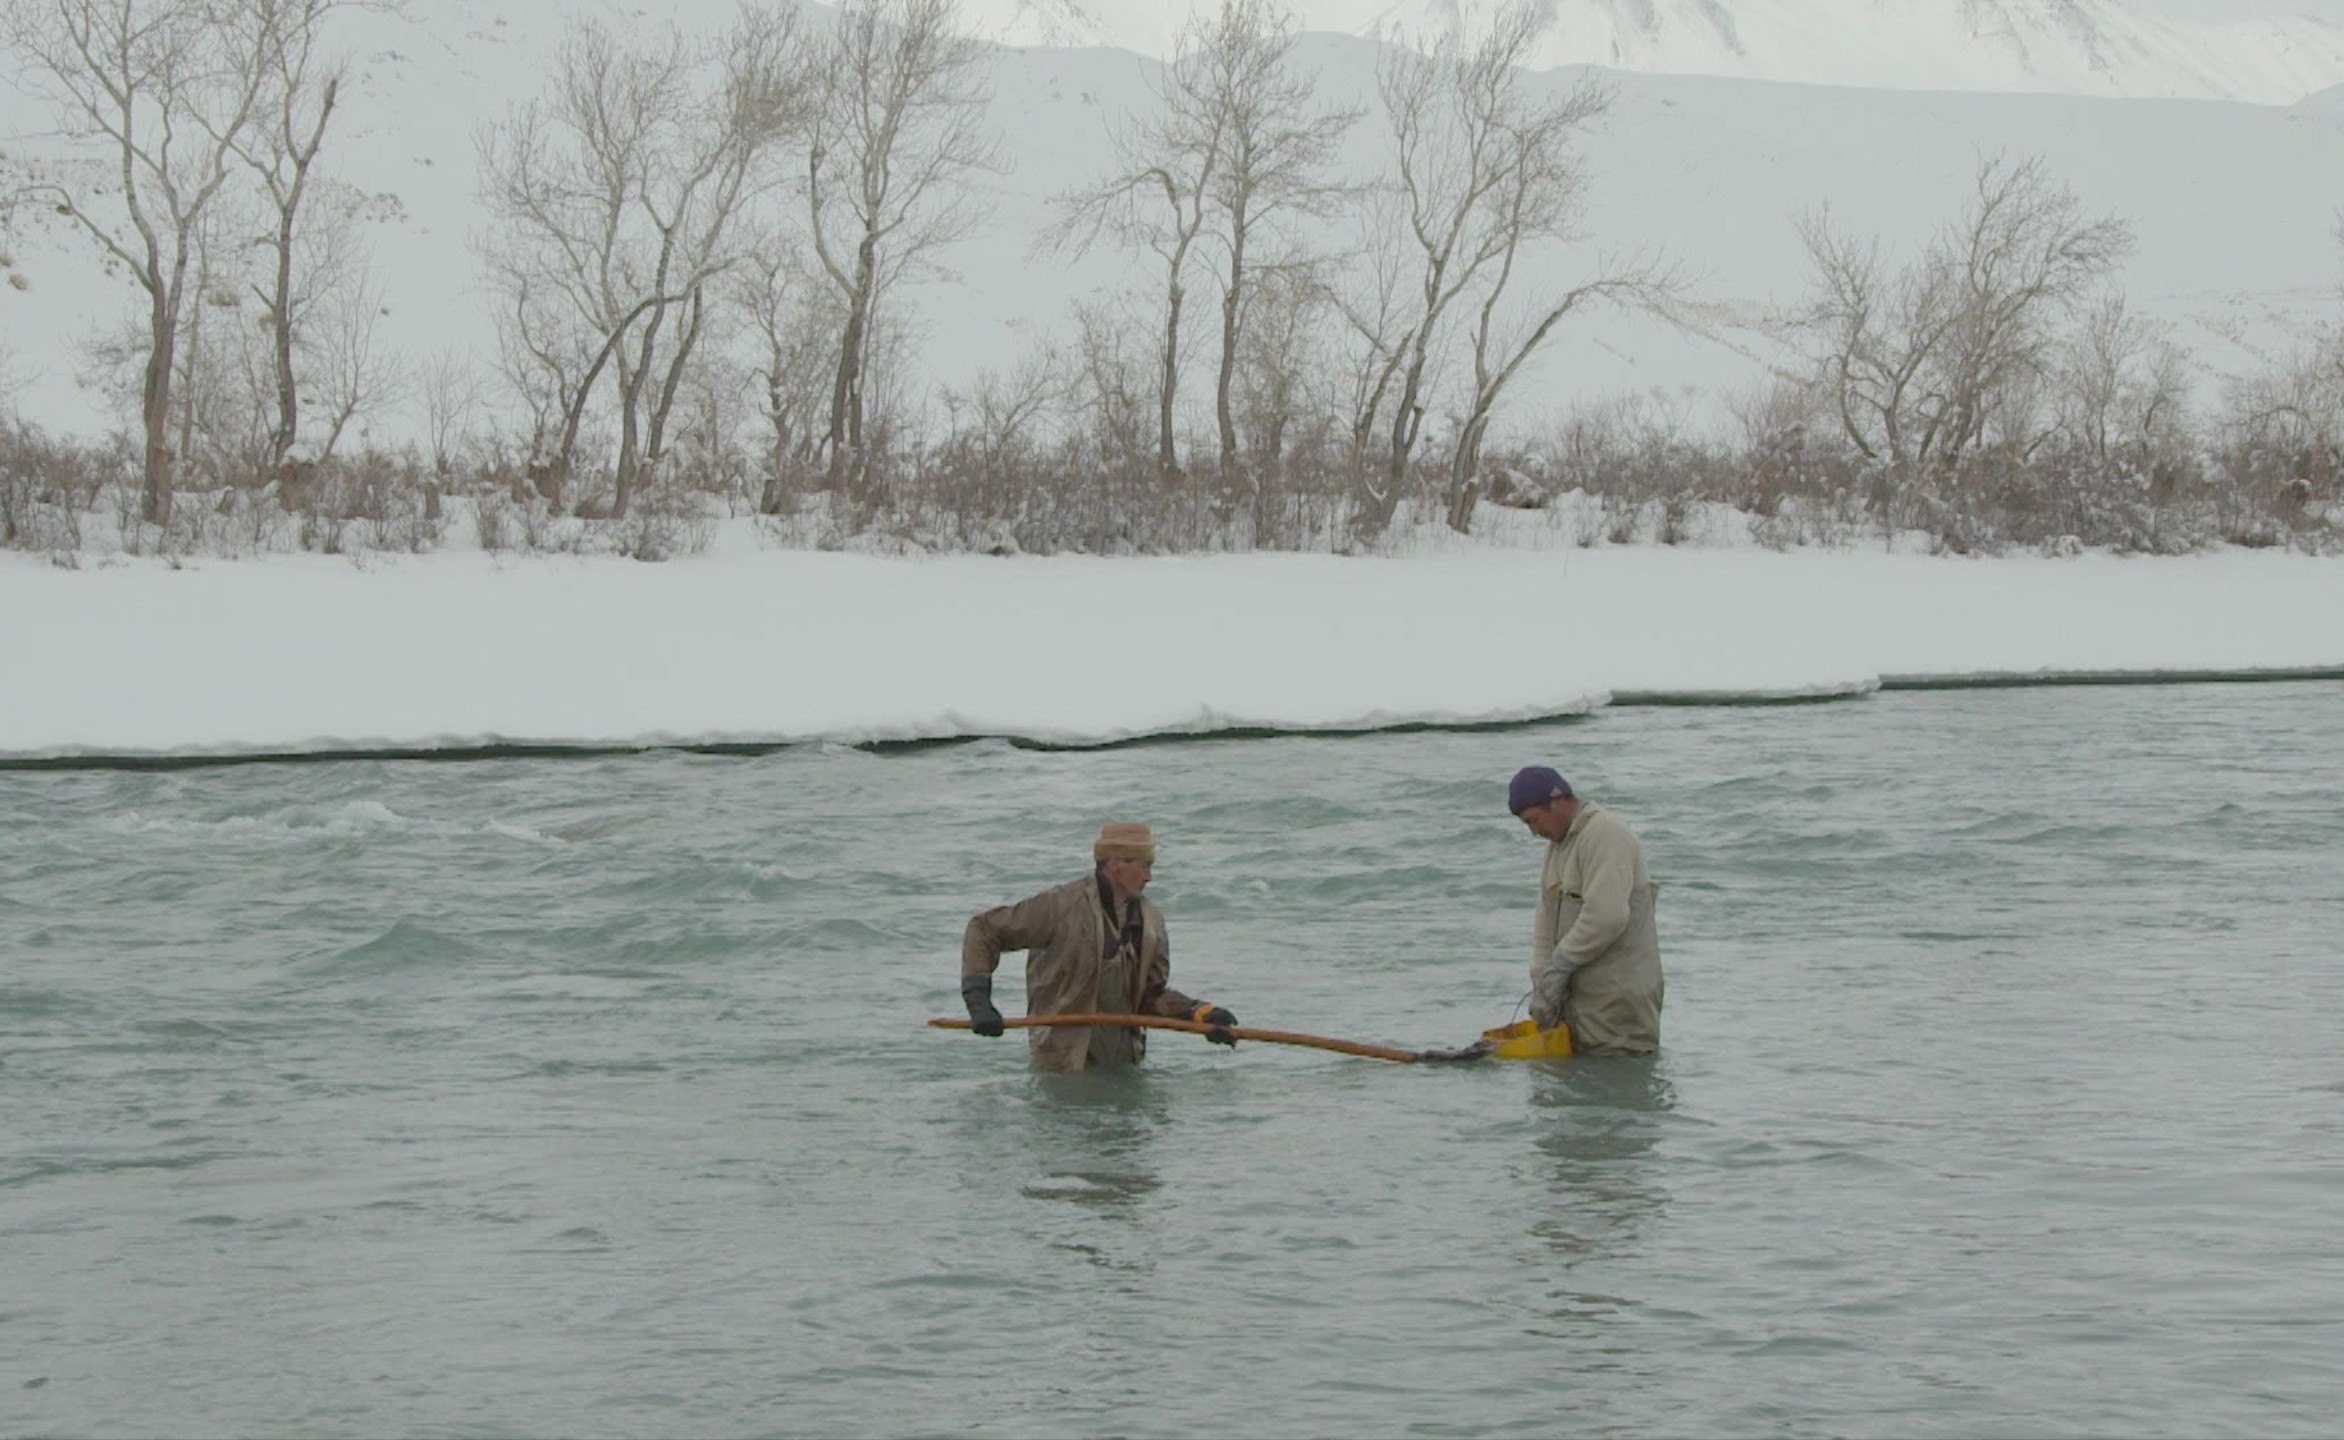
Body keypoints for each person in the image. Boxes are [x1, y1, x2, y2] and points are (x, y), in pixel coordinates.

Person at [960, 822, 1239, 1073]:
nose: (1149, 877)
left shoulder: (1151, 922)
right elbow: (984, 930)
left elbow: (1149, 998)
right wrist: (979, 1002)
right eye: (1143, 866)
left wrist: (1201, 1014)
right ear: (1116, 864)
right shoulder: (1059, 906)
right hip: (1062, 1067)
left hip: (1123, 1068)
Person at [1508, 766, 1664, 1055]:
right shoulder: (1558, 846)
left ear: (1557, 802)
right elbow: (1545, 919)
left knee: (1617, 1085)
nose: (1534, 832)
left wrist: (1559, 967)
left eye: (1534, 820)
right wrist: (1542, 980)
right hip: (1578, 1004)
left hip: (1617, 1003)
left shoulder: (1605, 833)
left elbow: (1606, 918)